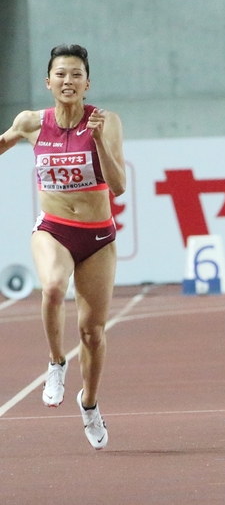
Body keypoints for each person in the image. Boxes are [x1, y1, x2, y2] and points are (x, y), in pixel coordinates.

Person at [0, 44, 126, 447]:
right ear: (48, 81)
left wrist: (99, 141)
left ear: (87, 83)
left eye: (76, 74)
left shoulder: (107, 122)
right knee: (53, 286)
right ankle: (56, 362)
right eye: (61, 74)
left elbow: (120, 188)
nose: (68, 81)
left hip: (98, 237)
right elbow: (5, 141)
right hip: (53, 228)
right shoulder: (32, 122)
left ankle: (89, 403)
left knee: (92, 332)